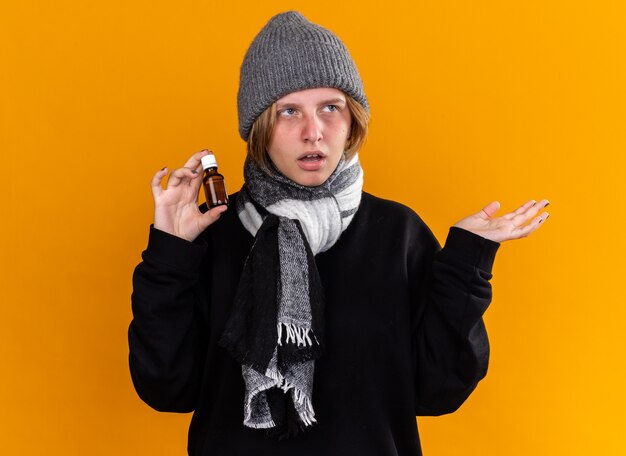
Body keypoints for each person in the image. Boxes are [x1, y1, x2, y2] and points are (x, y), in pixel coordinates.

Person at [128, 10, 550, 456]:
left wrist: (465, 265)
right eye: (288, 111)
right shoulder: (215, 233)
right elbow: (166, 388)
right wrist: (171, 254)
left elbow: (438, 392)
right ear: (260, 130)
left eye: (331, 107)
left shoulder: (398, 235)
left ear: (353, 122)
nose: (313, 133)